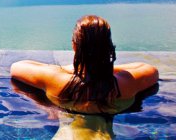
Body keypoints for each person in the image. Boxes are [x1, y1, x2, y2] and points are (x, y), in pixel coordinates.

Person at [10, 15, 159, 114]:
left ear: (74, 45)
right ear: (108, 46)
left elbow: (17, 67)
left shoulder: (56, 79)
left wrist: (71, 69)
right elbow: (149, 69)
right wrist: (105, 67)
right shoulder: (126, 84)